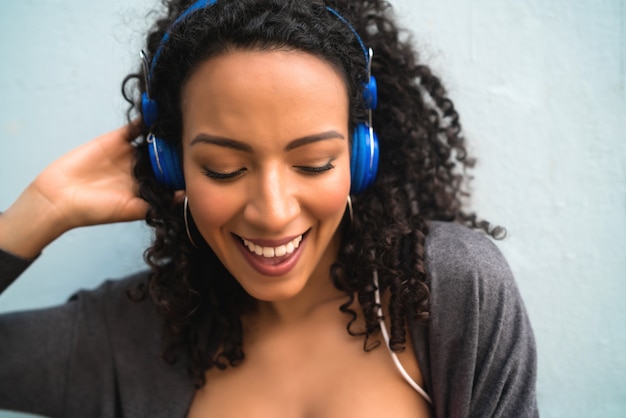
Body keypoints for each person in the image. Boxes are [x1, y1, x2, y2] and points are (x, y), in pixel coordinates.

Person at [0, 0, 538, 416]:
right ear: (169, 165)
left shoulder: (449, 288)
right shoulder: (128, 340)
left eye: (314, 163)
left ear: (361, 157)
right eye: (224, 169)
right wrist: (41, 212)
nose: (274, 212)